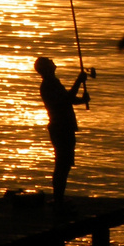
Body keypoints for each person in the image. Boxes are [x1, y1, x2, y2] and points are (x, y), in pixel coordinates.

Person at [34, 56, 89, 208]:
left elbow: (67, 100)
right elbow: (66, 100)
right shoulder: (49, 84)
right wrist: (79, 80)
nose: (53, 62)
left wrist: (82, 100)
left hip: (61, 127)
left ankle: (59, 198)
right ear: (47, 68)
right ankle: (58, 200)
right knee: (62, 164)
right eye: (50, 61)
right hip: (61, 128)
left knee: (63, 163)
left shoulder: (52, 83)